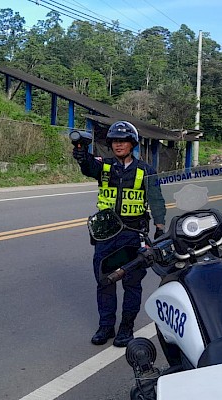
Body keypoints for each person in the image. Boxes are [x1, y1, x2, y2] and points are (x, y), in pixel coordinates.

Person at [73, 121, 166, 347]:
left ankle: (126, 328)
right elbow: (87, 166)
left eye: (123, 141)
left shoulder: (146, 170)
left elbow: (156, 200)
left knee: (132, 284)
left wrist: (160, 228)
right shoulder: (103, 166)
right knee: (104, 282)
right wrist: (80, 151)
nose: (118, 144)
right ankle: (106, 327)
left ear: (132, 143)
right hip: (106, 234)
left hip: (133, 235)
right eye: (114, 141)